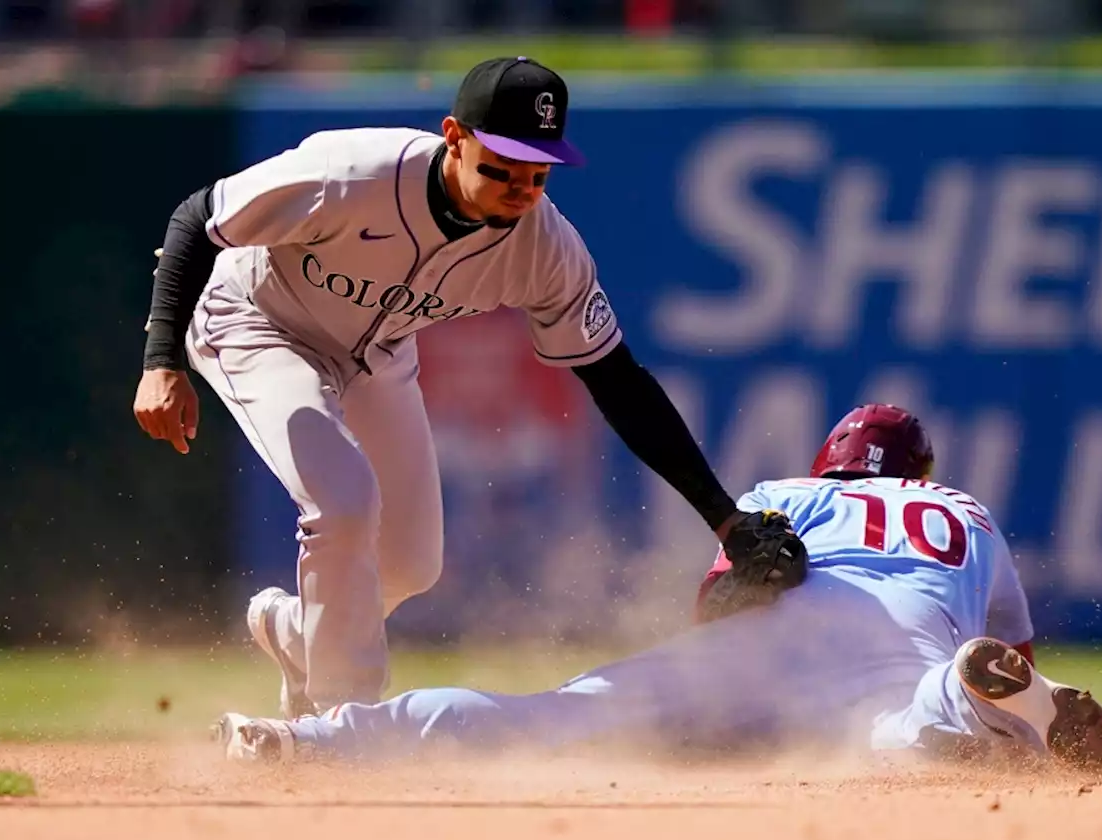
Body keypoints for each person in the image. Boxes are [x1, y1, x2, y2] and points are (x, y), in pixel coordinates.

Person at [131, 56, 806, 720]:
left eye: (537, 172)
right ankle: (340, 722)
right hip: (258, 322)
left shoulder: (544, 248)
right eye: (500, 166)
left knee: (408, 566)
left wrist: (724, 517)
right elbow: (198, 219)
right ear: (453, 137)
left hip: (379, 355)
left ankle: (298, 633)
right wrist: (162, 361)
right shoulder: (352, 173)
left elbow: (618, 381)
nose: (519, 187)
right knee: (342, 502)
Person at [211, 404, 1102, 770]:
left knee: (549, 719)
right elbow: (1025, 651)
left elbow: (723, 603)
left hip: (755, 649)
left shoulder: (780, 495)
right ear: (919, 471)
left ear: (830, 466)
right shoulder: (964, 511)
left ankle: (306, 741)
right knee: (893, 728)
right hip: (900, 654)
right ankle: (960, 708)